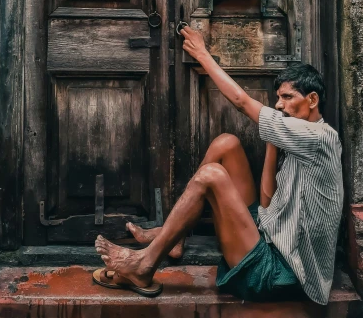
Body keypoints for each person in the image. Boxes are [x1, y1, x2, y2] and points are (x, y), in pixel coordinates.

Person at [93, 25, 343, 307]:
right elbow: (266, 202)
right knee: (227, 143)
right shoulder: (298, 138)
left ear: (312, 100)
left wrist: (202, 54)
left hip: (278, 273)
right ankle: (174, 238)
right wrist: (273, 141)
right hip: (269, 236)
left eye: (287, 98)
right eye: (278, 98)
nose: (279, 105)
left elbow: (240, 101)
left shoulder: (321, 138)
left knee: (211, 176)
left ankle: (144, 266)